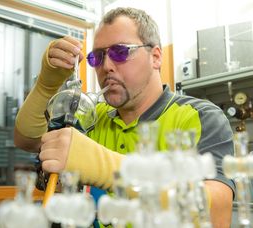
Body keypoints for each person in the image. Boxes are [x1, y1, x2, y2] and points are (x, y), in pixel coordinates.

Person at [14, 7, 235, 227]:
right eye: (97, 57)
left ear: (156, 57)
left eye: (120, 52)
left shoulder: (198, 117)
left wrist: (107, 168)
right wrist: (47, 84)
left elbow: (217, 214)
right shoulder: (93, 117)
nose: (107, 66)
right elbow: (28, 139)